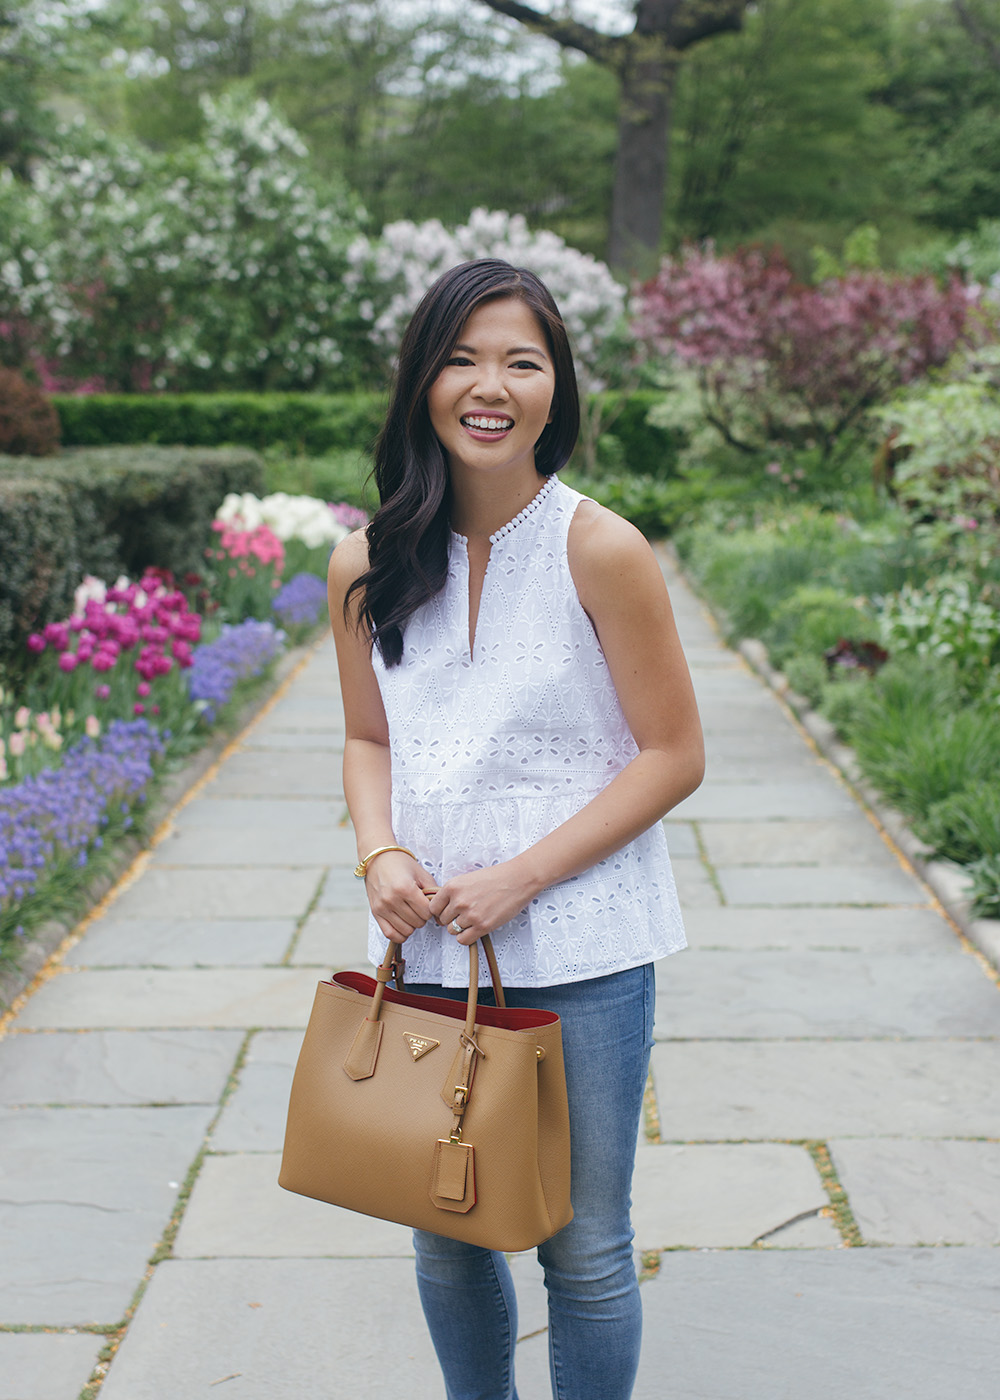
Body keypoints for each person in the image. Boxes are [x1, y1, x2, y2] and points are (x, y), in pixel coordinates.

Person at [328, 258, 704, 1400]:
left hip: (584, 947)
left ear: (556, 388)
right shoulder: (365, 562)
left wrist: (522, 877)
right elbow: (367, 739)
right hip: (433, 946)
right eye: (461, 357)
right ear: (421, 382)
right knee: (440, 1227)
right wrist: (380, 850)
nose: (489, 385)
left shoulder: (601, 547)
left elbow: (673, 753)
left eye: (521, 361)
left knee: (581, 1242)